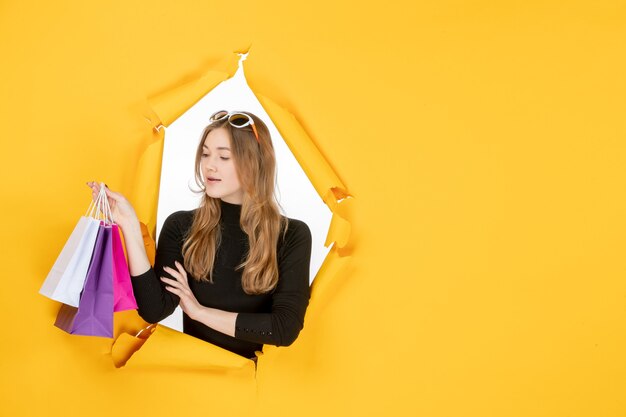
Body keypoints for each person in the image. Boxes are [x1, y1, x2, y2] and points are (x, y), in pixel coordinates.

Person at [87, 110, 312, 360]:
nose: (209, 165)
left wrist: (199, 312)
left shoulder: (292, 235)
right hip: (198, 382)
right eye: (205, 154)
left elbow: (284, 329)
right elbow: (154, 309)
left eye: (224, 156)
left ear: (255, 162)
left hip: (258, 387)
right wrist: (128, 225)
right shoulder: (182, 226)